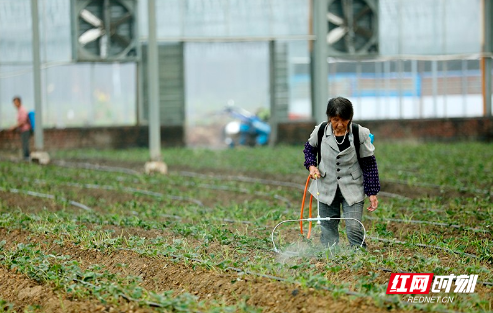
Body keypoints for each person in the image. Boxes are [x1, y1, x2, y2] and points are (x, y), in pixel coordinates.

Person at [303, 97, 380, 249]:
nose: (339, 124)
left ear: (350, 118)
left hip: (352, 187)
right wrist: (312, 166)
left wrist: (372, 192)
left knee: (354, 226)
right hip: (326, 186)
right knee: (328, 228)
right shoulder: (320, 131)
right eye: (335, 119)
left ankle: (358, 256)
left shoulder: (360, 134)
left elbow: (369, 163)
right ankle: (331, 257)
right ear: (329, 118)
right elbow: (309, 149)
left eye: (344, 120)